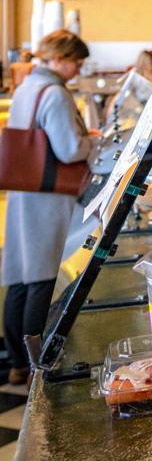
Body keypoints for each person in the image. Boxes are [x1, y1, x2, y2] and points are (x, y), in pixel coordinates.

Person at [3, 30, 97, 385]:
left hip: (24, 189)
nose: (77, 69)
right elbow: (69, 150)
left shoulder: (28, 85)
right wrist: (92, 140)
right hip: (49, 194)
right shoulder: (55, 93)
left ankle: (15, 361)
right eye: (76, 62)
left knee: (20, 276)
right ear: (60, 58)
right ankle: (35, 364)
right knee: (43, 275)